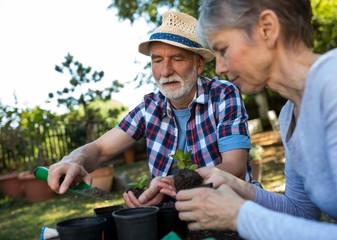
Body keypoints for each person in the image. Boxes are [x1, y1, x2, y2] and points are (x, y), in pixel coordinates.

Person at [173, 0, 337, 239]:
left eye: (223, 49)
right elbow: (301, 212)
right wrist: (237, 185)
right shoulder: (289, 114)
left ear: (267, 28)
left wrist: (240, 216)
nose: (219, 68)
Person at [47, 10, 252, 207]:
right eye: (157, 60)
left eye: (177, 59)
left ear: (198, 64)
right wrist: (73, 159)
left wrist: (169, 183)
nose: (165, 71)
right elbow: (100, 149)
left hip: (230, 208)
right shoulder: (150, 107)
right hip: (175, 214)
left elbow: (235, 168)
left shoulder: (223, 95)